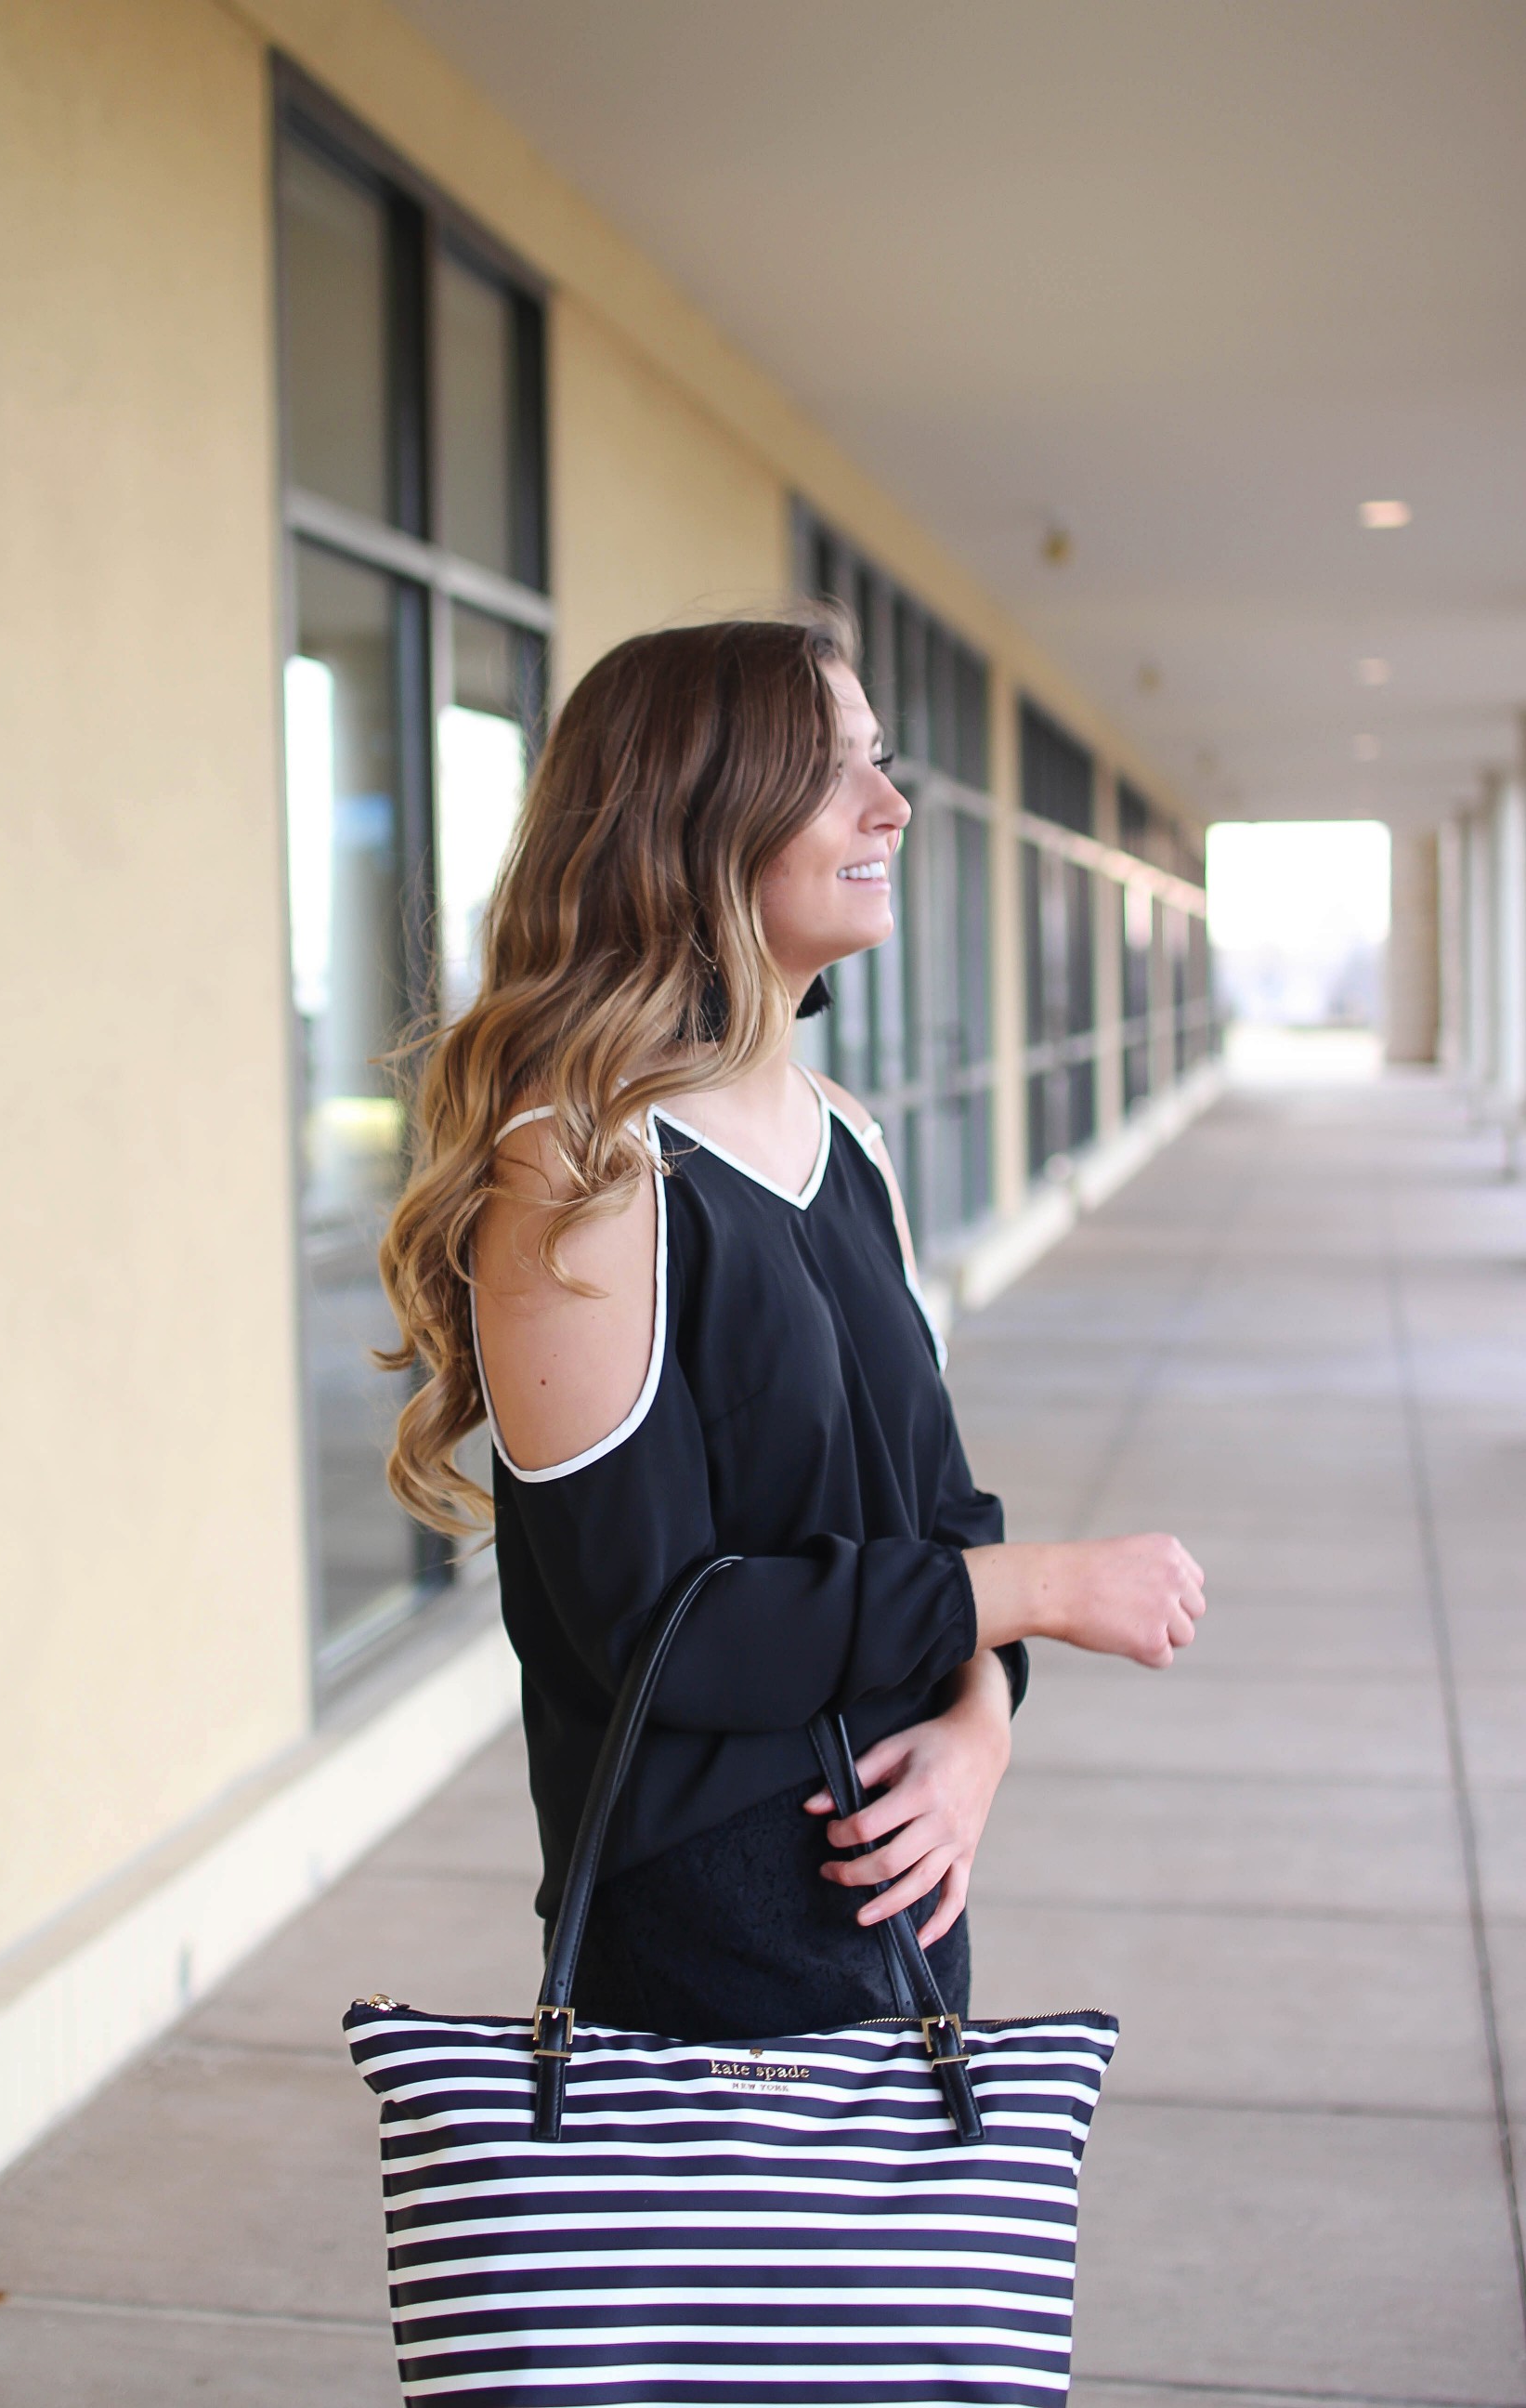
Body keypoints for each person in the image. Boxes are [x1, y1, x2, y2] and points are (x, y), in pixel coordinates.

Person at [379, 613, 1205, 2044]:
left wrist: (977, 1733)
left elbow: (940, 1519)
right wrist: (1049, 1589)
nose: (889, 805)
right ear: (695, 819)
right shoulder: (581, 1171)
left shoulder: (850, 1142)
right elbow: (663, 1632)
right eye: (829, 770)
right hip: (716, 1934)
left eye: (880, 761)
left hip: (907, 1894)